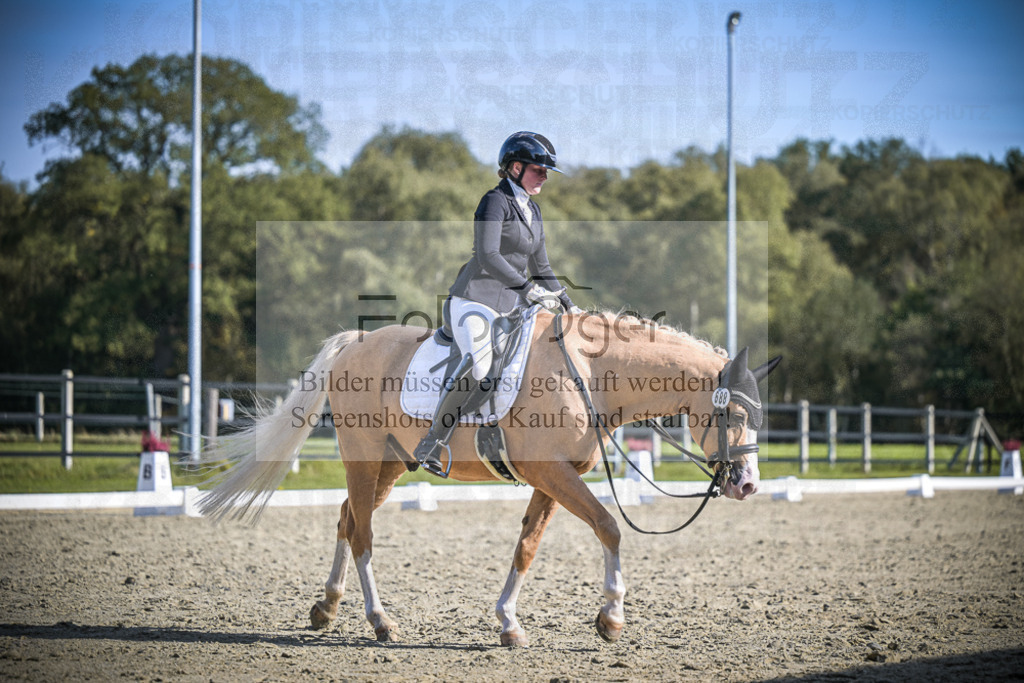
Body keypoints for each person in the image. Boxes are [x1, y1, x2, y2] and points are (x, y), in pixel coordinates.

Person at [413, 131, 580, 477]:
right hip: (474, 298)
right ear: (515, 167)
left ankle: (499, 438)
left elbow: (542, 267)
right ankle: (433, 440)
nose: (545, 177)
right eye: (538, 170)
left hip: (512, 307)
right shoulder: (495, 201)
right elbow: (488, 255)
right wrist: (526, 288)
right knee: (481, 367)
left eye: (547, 172)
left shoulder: (533, 210)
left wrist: (569, 304)